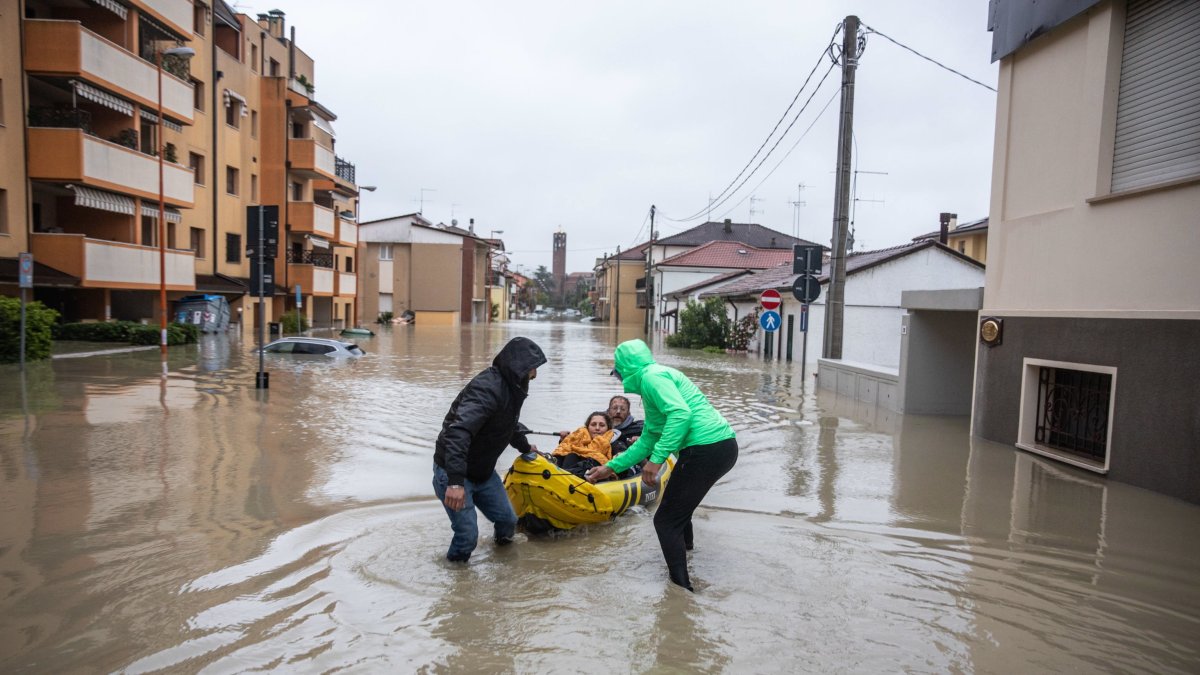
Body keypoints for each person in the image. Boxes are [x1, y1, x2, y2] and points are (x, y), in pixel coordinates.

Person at [585, 339, 738, 591]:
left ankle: (681, 592)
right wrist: (609, 467)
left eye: (618, 372)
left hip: (707, 448)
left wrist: (656, 461)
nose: (619, 378)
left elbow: (681, 414)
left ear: (626, 368)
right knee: (679, 511)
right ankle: (687, 556)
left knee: (665, 521)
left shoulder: (652, 378)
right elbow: (648, 438)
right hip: (718, 447)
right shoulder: (653, 381)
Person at [433, 336, 547, 562]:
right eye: (534, 368)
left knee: (508, 522)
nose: (536, 373)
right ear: (520, 366)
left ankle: (503, 562)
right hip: (454, 473)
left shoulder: (515, 387)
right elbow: (459, 432)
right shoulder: (487, 388)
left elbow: (508, 424)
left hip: (483, 473)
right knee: (467, 536)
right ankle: (457, 580)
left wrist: (525, 447)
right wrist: (455, 482)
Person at [551, 411, 616, 477]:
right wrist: (562, 440)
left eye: (602, 425)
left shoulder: (615, 442)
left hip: (595, 475)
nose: (597, 428)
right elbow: (562, 451)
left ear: (608, 428)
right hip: (570, 472)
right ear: (587, 427)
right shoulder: (577, 437)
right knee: (571, 455)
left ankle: (561, 475)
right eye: (593, 425)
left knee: (573, 456)